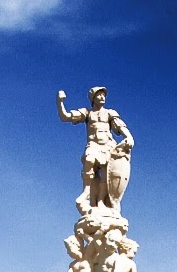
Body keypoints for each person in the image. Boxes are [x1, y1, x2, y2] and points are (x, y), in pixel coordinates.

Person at [57, 87, 133, 215]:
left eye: (104, 95)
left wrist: (129, 137)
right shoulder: (87, 113)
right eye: (99, 95)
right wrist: (60, 102)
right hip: (93, 144)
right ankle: (86, 191)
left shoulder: (109, 113)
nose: (103, 97)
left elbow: (120, 126)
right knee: (89, 159)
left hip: (108, 145)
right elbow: (65, 117)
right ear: (93, 98)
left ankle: (101, 201)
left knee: (106, 173)